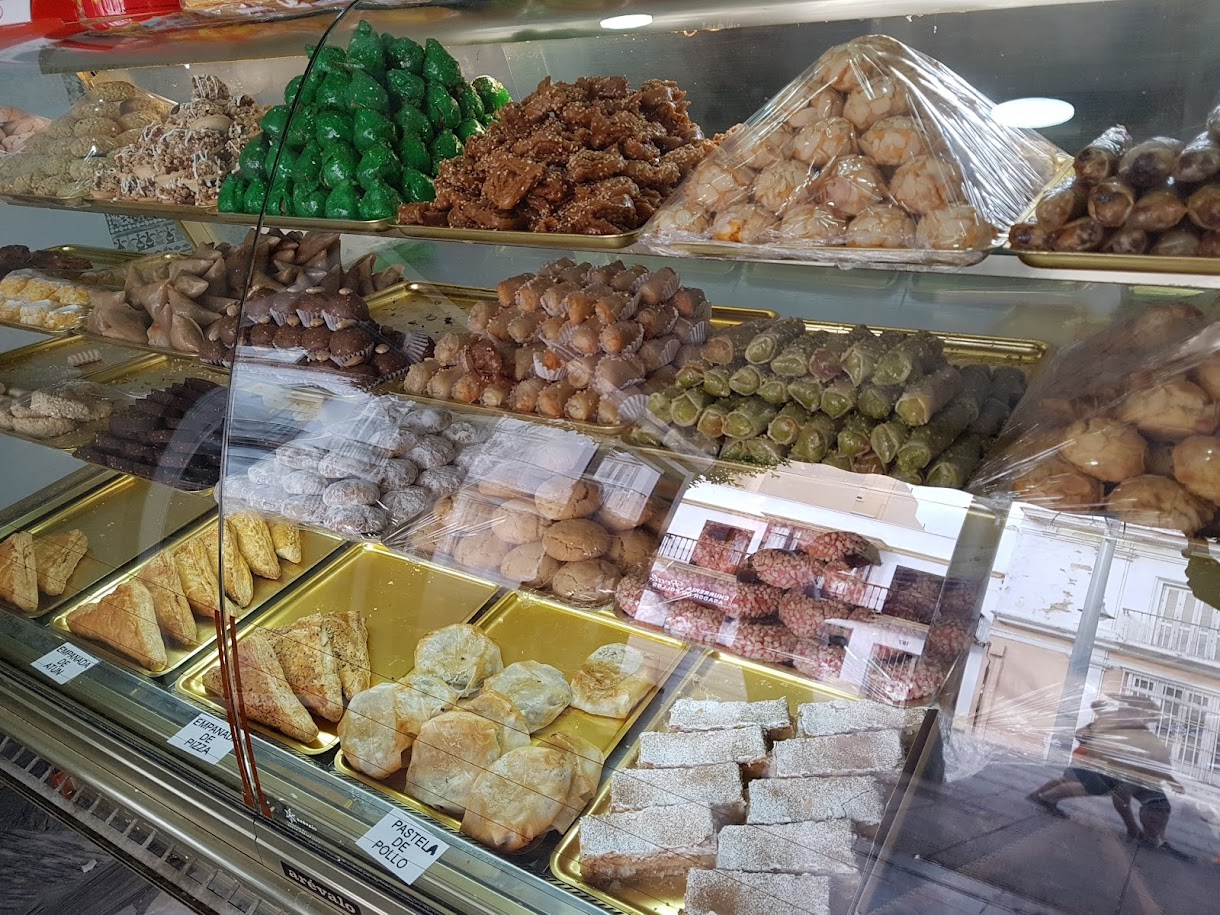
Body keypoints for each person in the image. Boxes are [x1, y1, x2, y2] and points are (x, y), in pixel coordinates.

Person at [1027, 695, 1187, 857]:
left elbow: (1157, 759)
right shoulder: (1120, 720)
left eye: (1151, 714)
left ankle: (1155, 838)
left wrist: (1170, 780)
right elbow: (1121, 796)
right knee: (1094, 785)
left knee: (1156, 802)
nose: (1150, 717)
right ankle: (1044, 797)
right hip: (1101, 763)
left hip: (1113, 766)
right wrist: (1131, 826)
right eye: (1149, 712)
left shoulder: (1138, 730)